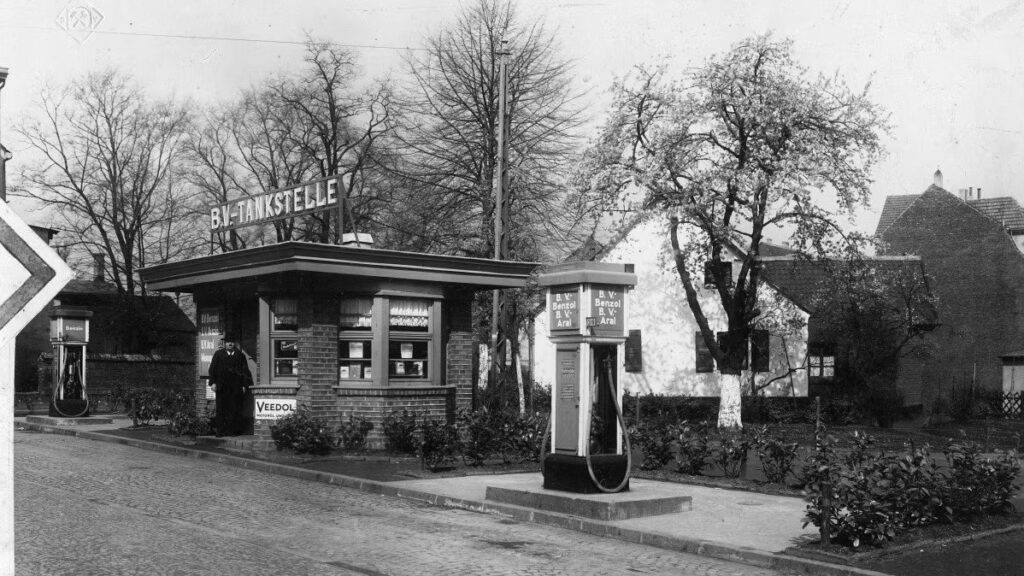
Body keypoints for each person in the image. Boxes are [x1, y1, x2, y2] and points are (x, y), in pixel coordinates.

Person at [207, 332, 253, 436]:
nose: (230, 344)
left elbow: (245, 371)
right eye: (228, 342)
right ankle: (221, 431)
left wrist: (244, 385)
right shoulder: (218, 354)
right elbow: (212, 369)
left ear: (235, 343)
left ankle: (232, 431)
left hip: (235, 387)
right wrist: (213, 382)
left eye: (232, 342)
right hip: (221, 386)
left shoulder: (240, 356)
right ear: (225, 343)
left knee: (234, 408)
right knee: (221, 408)